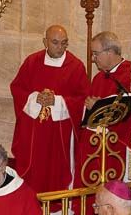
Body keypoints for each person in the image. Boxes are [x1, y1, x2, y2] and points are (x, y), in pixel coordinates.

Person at [9, 25, 88, 194]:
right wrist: (35, 98)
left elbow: (82, 99)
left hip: (60, 136)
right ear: (45, 42)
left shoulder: (76, 66)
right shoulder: (32, 62)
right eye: (55, 43)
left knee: (56, 172)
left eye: (64, 43)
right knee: (34, 172)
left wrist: (58, 101)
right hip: (34, 134)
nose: (60, 47)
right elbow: (17, 88)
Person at [71, 32, 131, 197]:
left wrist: (98, 106)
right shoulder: (99, 77)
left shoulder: (130, 75)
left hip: (114, 143)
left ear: (110, 52)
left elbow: (129, 110)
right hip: (94, 142)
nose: (93, 58)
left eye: (95, 53)